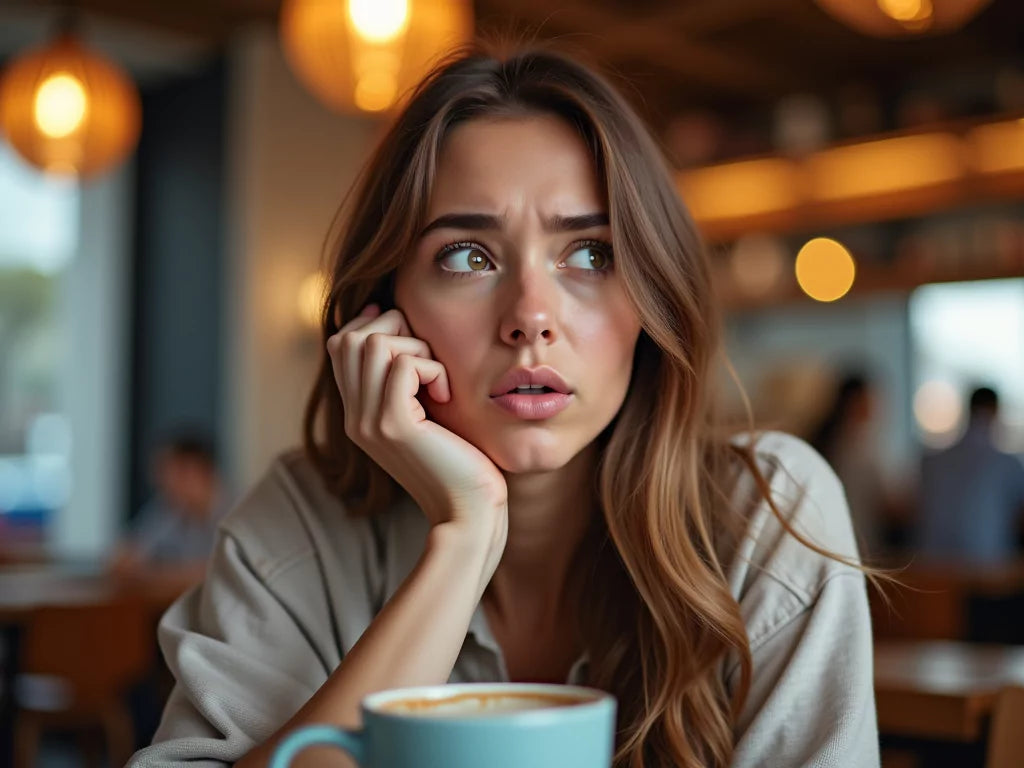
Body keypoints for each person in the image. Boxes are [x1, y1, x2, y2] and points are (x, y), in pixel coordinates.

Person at [130, 44, 879, 768]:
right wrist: (462, 539)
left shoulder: (764, 514)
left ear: (653, 300)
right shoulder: (299, 522)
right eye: (467, 256)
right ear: (384, 316)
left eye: (591, 254)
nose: (530, 315)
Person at [917, 386, 1024, 566]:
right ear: (996, 413)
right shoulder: (1007, 464)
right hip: (988, 571)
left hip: (933, 570)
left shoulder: (931, 461)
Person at [111, 433, 227, 575]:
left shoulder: (238, 511)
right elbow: (127, 553)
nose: (167, 483)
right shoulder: (168, 509)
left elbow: (226, 571)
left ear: (204, 471)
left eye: (178, 473)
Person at [809, 372, 889, 560]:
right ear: (855, 402)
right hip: (859, 541)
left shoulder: (828, 440)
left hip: (826, 540)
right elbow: (885, 502)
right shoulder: (860, 445)